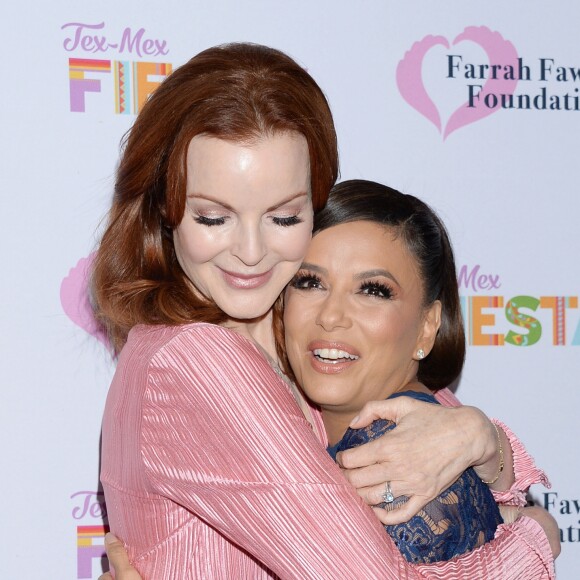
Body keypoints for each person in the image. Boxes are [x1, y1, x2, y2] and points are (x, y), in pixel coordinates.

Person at [95, 42, 556, 579]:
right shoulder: (195, 362)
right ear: (163, 211)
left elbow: (456, 445)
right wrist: (538, 538)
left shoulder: (295, 341)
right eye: (214, 218)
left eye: (283, 217)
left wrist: (483, 438)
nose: (249, 251)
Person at [284, 179, 503, 563]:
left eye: (373, 290)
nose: (331, 316)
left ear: (426, 326)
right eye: (310, 282)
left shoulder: (408, 469)